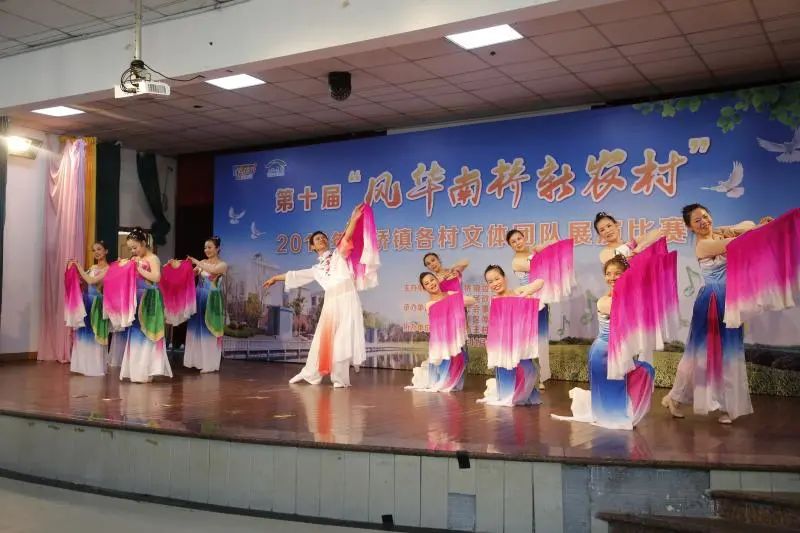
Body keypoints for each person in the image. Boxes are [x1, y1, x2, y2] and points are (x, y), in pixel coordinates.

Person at [662, 204, 764, 423]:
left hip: (730, 301)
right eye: (697, 220)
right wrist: (754, 230)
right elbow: (739, 241)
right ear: (690, 227)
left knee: (730, 353)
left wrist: (743, 228)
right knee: (698, 355)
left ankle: (727, 406)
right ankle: (676, 397)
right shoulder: (704, 245)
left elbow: (747, 225)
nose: (703, 222)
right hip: (711, 302)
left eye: (705, 216)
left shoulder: (718, 234)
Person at [262, 204, 368, 388]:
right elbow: (295, 275)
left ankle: (340, 379)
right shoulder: (316, 269)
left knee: (342, 339)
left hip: (347, 297)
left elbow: (347, 237)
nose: (321, 239)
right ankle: (311, 374)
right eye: (317, 239)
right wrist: (275, 278)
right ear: (312, 246)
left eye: (323, 237)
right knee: (322, 339)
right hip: (331, 301)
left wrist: (354, 219)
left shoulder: (338, 255)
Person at [552, 255, 655, 429]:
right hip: (603, 352)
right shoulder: (605, 301)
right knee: (611, 388)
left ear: (626, 275)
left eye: (617, 273)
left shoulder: (627, 297)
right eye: (608, 274)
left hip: (618, 351)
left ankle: (621, 414)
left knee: (644, 371)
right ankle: (611, 416)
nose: (612, 277)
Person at [477, 265, 544, 406]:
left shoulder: (517, 292)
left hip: (520, 342)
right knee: (506, 370)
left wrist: (525, 294)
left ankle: (522, 396)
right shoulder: (494, 300)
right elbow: (494, 325)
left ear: (504, 278)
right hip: (503, 345)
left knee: (527, 369)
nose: (495, 283)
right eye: (490, 281)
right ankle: (508, 395)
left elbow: (540, 282)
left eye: (497, 278)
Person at [406, 272, 476, 392]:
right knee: (443, 372)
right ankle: (443, 381)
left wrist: (452, 292)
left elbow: (472, 301)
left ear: (437, 280)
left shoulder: (450, 294)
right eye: (427, 283)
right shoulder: (430, 305)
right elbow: (443, 311)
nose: (431, 284)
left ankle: (451, 382)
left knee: (458, 371)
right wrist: (453, 300)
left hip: (454, 341)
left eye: (432, 280)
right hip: (442, 345)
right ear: (424, 288)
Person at [119, 227, 173, 383]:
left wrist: (137, 268)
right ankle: (136, 371)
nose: (133, 251)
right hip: (136, 299)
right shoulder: (135, 259)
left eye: (135, 247)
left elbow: (156, 277)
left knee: (147, 334)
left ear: (143, 243)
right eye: (131, 248)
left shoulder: (153, 258)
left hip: (150, 299)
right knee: (136, 333)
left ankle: (147, 371)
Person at [506, 229, 555, 388]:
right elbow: (538, 267)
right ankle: (531, 375)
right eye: (513, 242)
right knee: (529, 340)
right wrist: (540, 252)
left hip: (541, 301)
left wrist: (545, 246)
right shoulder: (516, 261)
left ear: (524, 238)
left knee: (541, 339)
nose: (517, 243)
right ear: (511, 246)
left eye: (519, 239)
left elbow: (552, 243)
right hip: (527, 302)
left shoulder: (533, 252)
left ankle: (542, 376)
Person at [184, 236, 228, 373]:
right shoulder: (202, 262)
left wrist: (196, 261)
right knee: (196, 328)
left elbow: (213, 271)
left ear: (217, 248)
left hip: (212, 300)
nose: (206, 250)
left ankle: (209, 364)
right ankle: (196, 361)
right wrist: (180, 267)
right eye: (205, 248)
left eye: (209, 247)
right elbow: (191, 274)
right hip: (198, 297)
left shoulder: (222, 265)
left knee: (208, 330)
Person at [67, 241, 111, 376]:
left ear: (106, 251)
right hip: (86, 302)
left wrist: (79, 267)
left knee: (94, 335)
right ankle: (82, 366)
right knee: (83, 334)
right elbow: (84, 280)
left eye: (99, 249)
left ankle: (94, 367)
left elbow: (91, 281)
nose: (96, 252)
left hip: (97, 304)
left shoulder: (108, 269)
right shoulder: (92, 267)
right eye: (94, 250)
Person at [594, 212, 665, 264]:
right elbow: (617, 266)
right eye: (602, 230)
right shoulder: (604, 253)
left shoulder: (632, 243)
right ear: (600, 235)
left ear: (616, 225)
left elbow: (657, 232)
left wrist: (640, 246)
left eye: (609, 226)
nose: (607, 231)